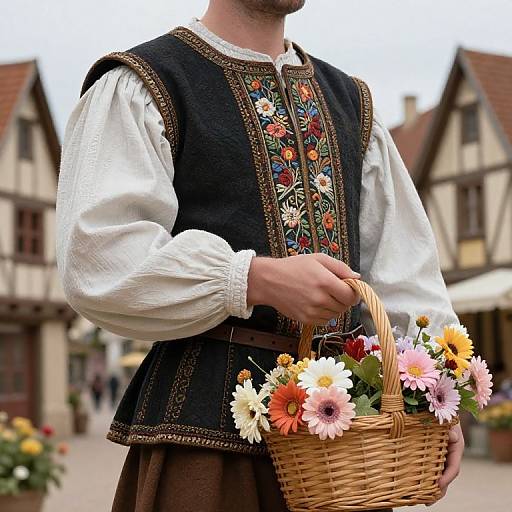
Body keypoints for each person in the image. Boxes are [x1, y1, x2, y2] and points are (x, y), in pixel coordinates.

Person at [56, 1, 464, 510]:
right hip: (206, 449)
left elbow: (407, 275)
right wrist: (252, 278)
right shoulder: (146, 82)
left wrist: (438, 397)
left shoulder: (351, 104)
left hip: (347, 452)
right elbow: (99, 257)